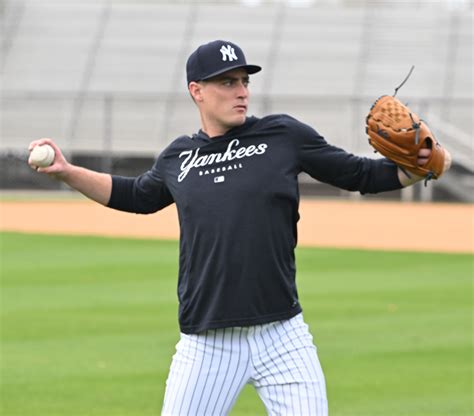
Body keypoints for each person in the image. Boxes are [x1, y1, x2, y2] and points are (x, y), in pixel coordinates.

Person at [29, 40, 451, 415]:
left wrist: (423, 168)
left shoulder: (283, 135)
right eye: (227, 82)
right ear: (197, 91)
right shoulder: (179, 156)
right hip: (207, 341)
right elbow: (136, 195)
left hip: (283, 334)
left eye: (244, 80)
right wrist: (67, 171)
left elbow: (362, 174)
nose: (242, 91)